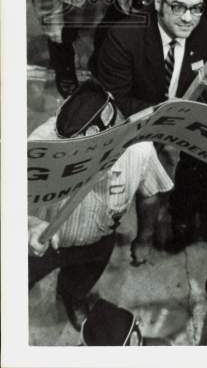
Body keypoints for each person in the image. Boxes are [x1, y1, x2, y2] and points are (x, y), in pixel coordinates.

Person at [28, 81, 172, 330]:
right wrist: (29, 225)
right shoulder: (40, 146)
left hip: (99, 240)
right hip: (44, 242)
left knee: (81, 280)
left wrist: (144, 239)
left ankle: (72, 297)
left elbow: (149, 195)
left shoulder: (139, 148)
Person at [94, 0, 207, 117]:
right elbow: (114, 101)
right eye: (178, 7)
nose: (187, 18)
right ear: (158, 3)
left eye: (196, 8)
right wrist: (168, 111)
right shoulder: (124, 37)